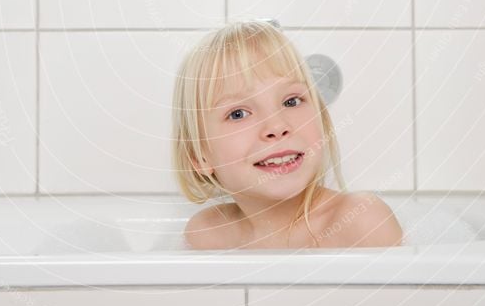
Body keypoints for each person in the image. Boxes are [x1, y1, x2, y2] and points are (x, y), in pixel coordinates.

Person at [171, 19, 403, 250]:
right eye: (238, 114)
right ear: (200, 157)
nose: (276, 126)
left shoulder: (361, 223)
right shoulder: (207, 234)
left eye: (291, 101)